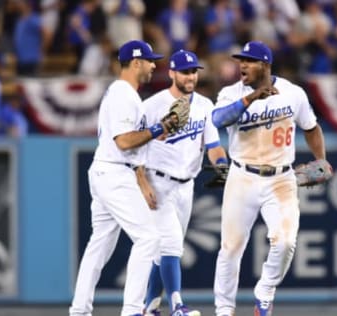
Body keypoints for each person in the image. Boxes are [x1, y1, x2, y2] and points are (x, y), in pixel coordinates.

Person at [211, 41, 330, 316]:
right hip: (242, 176)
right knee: (230, 249)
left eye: (250, 61)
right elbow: (216, 120)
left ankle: (265, 291)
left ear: (265, 65)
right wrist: (250, 99)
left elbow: (311, 128)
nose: (243, 65)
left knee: (286, 241)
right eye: (241, 60)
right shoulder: (232, 93)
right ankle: (224, 309)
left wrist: (321, 160)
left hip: (281, 178)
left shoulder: (292, 93)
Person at [69, 40, 169, 316]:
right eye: (150, 61)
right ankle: (133, 310)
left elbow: (130, 145)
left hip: (110, 170)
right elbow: (125, 141)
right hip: (114, 173)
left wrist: (141, 177)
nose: (153, 65)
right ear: (136, 62)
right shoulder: (123, 94)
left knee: (98, 246)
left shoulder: (123, 93)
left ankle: (79, 310)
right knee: (148, 238)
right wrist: (158, 128)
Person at [140, 49, 228, 316]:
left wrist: (222, 168)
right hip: (158, 182)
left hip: (185, 186)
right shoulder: (152, 106)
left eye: (193, 71)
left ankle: (149, 307)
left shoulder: (203, 105)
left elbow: (213, 146)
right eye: (185, 71)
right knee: (171, 244)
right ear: (172, 73)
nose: (190, 76)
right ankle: (177, 305)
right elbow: (133, 149)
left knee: (162, 252)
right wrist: (142, 183)